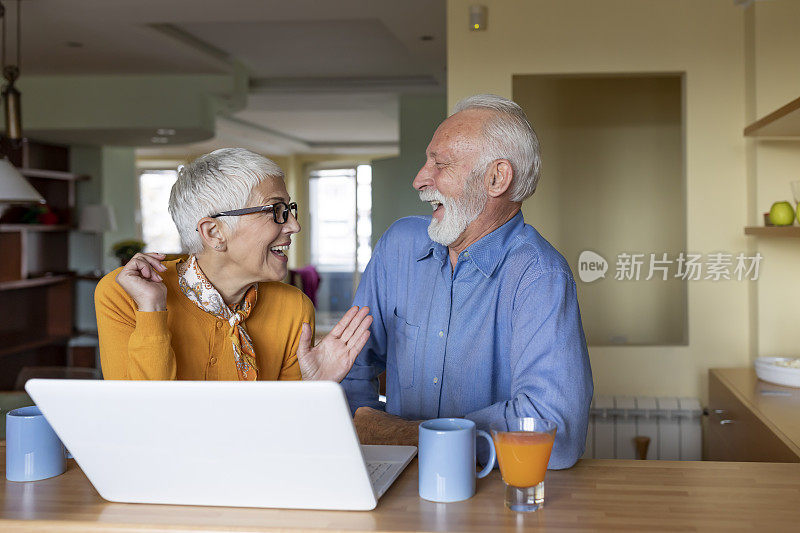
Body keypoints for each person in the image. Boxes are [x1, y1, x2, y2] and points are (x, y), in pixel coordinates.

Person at [341, 95, 593, 469]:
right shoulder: (398, 246)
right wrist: (364, 439)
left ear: (496, 178)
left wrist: (400, 435)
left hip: (491, 497)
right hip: (389, 483)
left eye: (440, 164)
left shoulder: (540, 275)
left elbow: (553, 429)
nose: (420, 178)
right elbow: (354, 365)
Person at [96, 148, 372, 383]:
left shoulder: (293, 308)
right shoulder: (125, 294)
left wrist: (314, 390)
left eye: (290, 209)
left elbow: (284, 435)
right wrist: (152, 311)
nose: (294, 225)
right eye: (276, 210)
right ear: (214, 232)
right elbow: (140, 418)